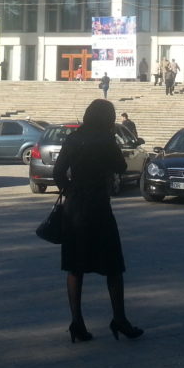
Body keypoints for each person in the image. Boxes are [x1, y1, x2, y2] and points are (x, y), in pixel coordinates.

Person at [53, 99, 143, 343]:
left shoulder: (72, 139)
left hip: (75, 209)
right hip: (99, 207)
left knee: (75, 267)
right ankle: (119, 319)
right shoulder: (106, 140)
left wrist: (71, 191)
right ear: (107, 119)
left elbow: (58, 172)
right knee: (113, 266)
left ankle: (77, 323)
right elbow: (121, 166)